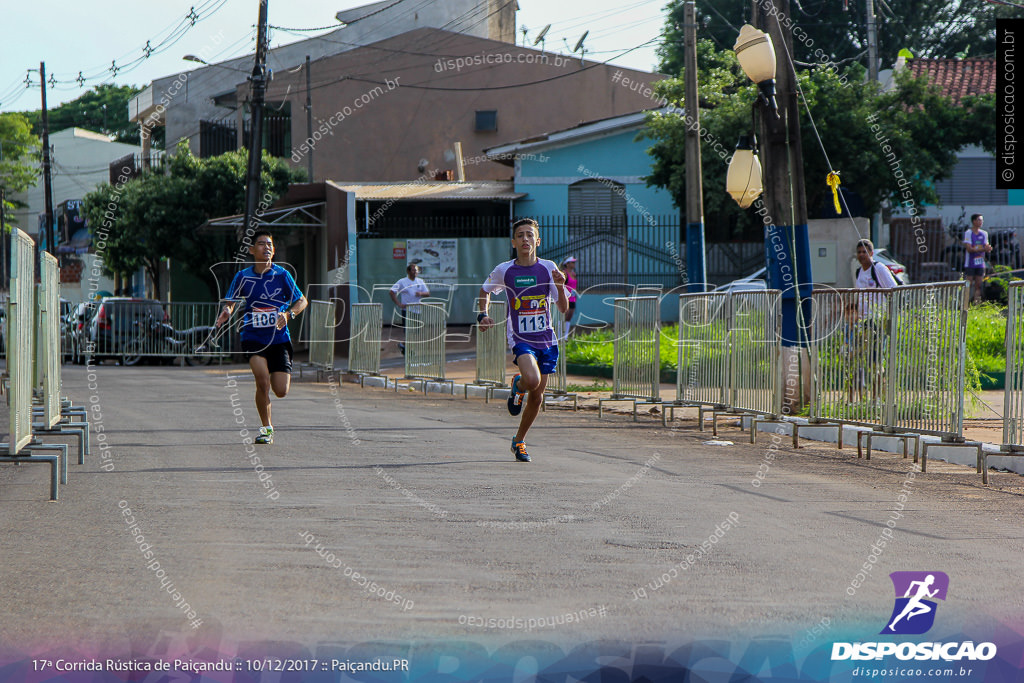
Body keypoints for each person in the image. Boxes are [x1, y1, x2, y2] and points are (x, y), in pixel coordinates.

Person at [478, 219, 569, 462]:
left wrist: (560, 286)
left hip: (547, 340)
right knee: (531, 380)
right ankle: (519, 384)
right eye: (520, 235)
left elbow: (562, 308)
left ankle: (519, 441)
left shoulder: (548, 268)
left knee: (538, 397)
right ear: (514, 242)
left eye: (530, 235)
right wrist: (483, 314)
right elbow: (485, 290)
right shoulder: (505, 270)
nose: (525, 239)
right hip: (520, 338)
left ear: (537, 241)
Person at [215, 230, 307, 445]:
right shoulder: (243, 276)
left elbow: (302, 301)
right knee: (262, 380)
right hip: (253, 336)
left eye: (269, 244)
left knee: (281, 390)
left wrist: (289, 313)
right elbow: (231, 300)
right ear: (251, 250)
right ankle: (266, 428)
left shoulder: (282, 275)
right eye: (261, 244)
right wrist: (227, 310)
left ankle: (268, 418)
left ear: (273, 251)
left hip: (279, 339)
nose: (266, 247)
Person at [389, 264, 430, 354]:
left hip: (417, 309)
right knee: (408, 331)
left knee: (415, 331)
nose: (415, 272)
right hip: (407, 310)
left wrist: (420, 293)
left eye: (416, 271)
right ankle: (409, 350)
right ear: (408, 271)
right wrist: (398, 303)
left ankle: (403, 345)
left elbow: (427, 293)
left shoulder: (420, 281)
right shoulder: (402, 281)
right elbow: (392, 292)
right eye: (413, 270)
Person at [962, 213, 991, 304]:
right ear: (974, 221)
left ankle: (976, 303)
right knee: (968, 284)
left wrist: (988, 248)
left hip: (980, 263)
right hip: (970, 263)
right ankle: (965, 304)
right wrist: (983, 248)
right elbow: (969, 248)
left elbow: (986, 246)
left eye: (981, 220)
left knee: (978, 285)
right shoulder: (969, 233)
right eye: (979, 220)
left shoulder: (984, 233)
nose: (981, 222)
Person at [560, 256, 578, 339]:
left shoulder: (573, 274)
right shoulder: (565, 274)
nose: (574, 264)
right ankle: (560, 335)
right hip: (566, 299)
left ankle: (565, 336)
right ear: (567, 264)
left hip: (573, 298)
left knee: (569, 317)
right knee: (564, 317)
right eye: (572, 262)